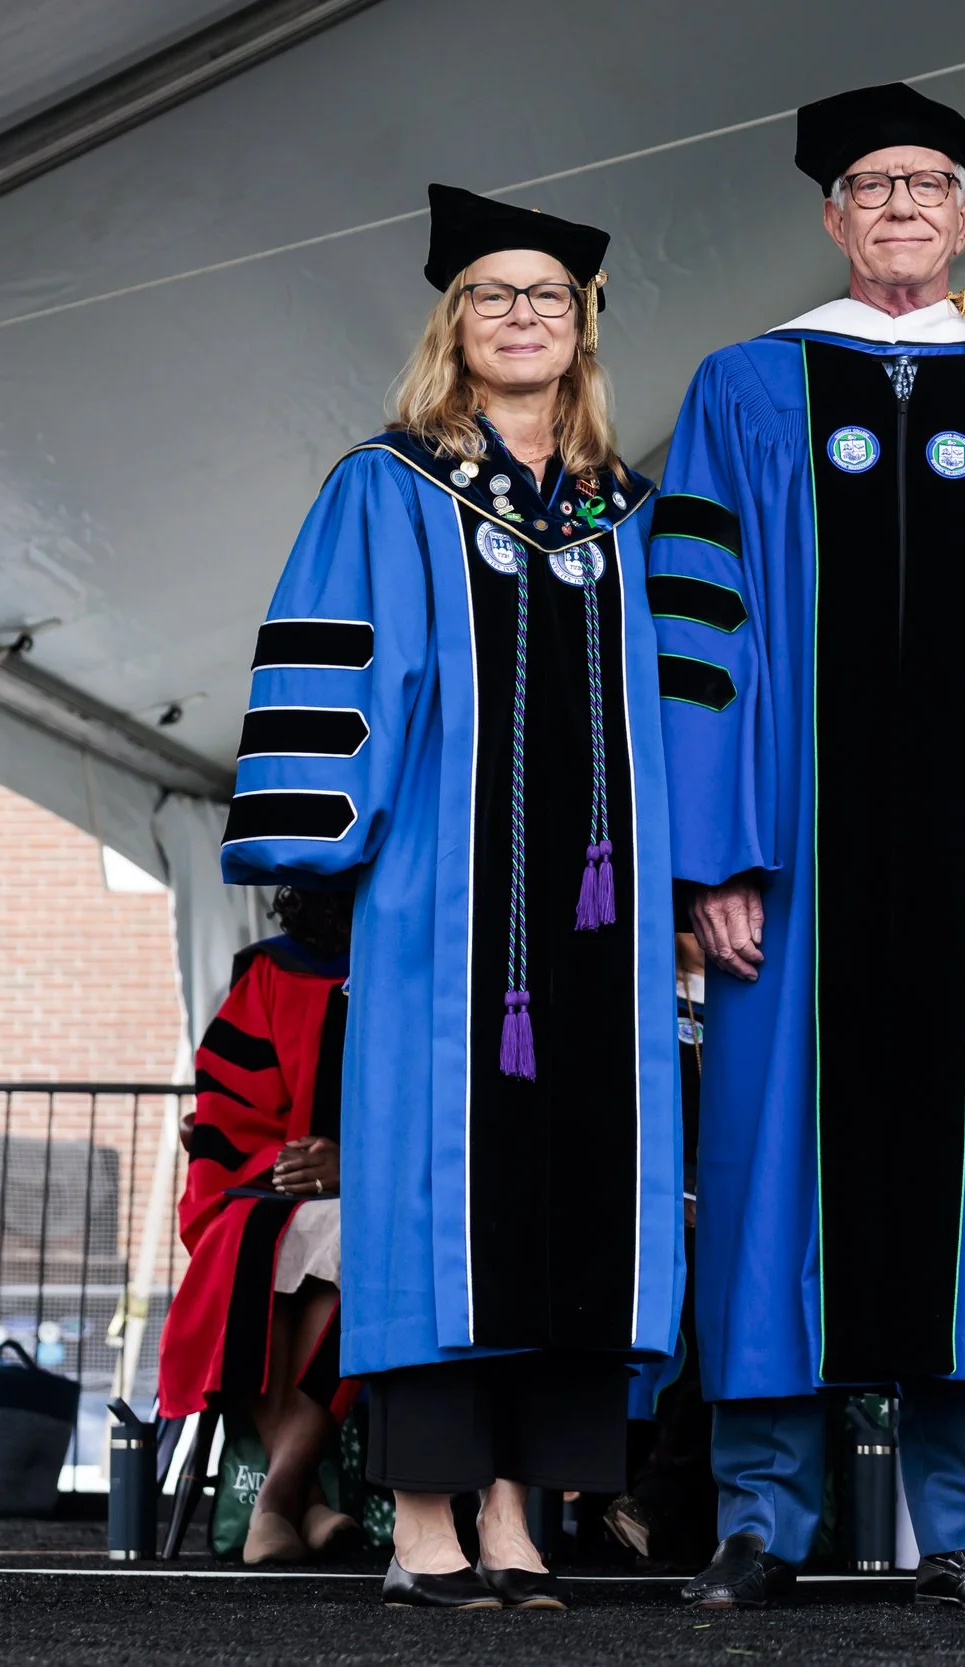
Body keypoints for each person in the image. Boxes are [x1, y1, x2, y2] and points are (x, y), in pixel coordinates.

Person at [650, 82, 965, 1612]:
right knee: (774, 1172)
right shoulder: (743, 387)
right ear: (832, 215)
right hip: (795, 865)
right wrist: (715, 854)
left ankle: (963, 1524)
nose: (906, 205)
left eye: (933, 184)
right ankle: (759, 1517)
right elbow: (698, 628)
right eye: (875, 184)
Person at [221, 188, 683, 1611]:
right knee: (434, 1199)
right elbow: (331, 673)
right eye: (495, 293)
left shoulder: (627, 514)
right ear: (454, 321)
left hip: (600, 922)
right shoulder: (388, 485)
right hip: (443, 904)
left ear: (584, 327)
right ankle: (422, 1511)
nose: (523, 315)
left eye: (550, 295)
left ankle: (516, 1510)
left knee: (579, 1202)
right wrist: (342, 863)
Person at [158, 887, 358, 1565]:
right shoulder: (274, 971)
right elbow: (230, 1107)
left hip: (382, 1199)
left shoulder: (434, 971)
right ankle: (305, 1500)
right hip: (271, 1184)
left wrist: (357, 1164)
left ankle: (274, 1501)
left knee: (355, 1247)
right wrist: (288, 1164)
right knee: (247, 1243)